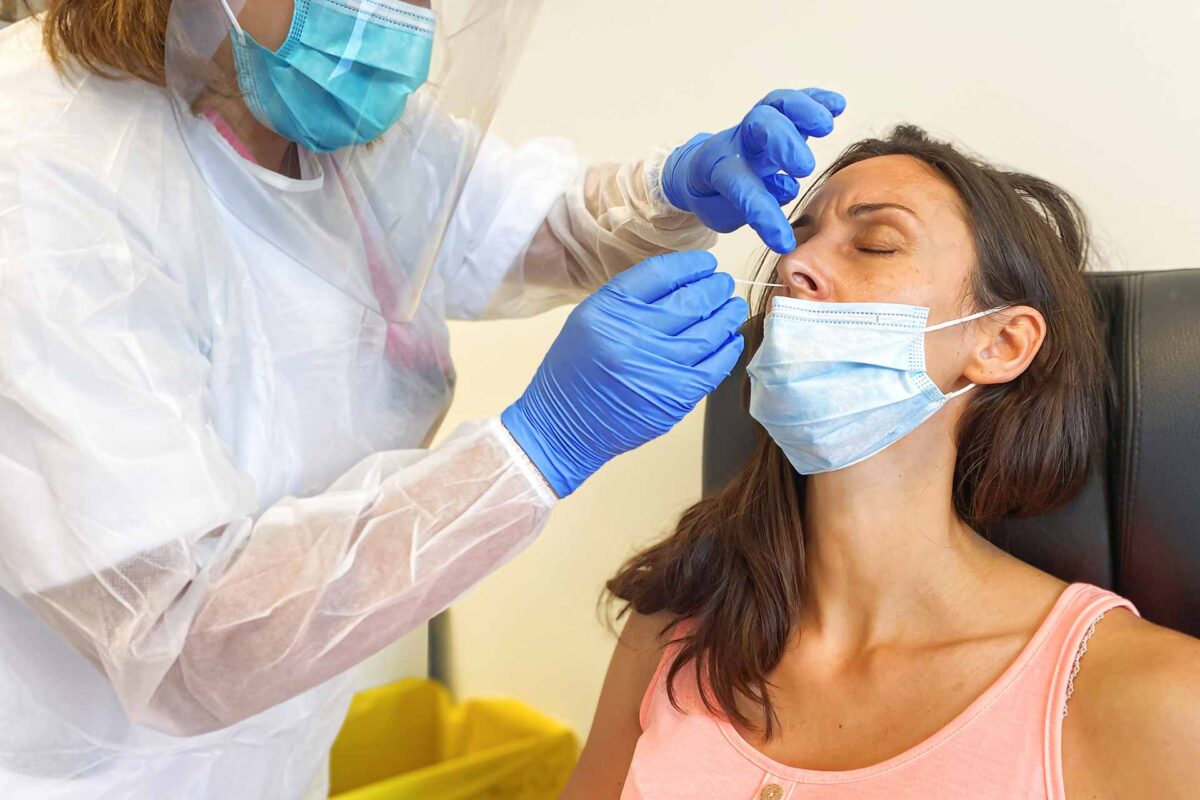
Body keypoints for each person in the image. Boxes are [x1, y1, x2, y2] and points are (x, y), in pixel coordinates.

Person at [0, 0, 847, 797]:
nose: (399, 20)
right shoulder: (42, 175)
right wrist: (534, 448)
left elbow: (526, 224)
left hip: (274, 759)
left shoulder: (322, 120)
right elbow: (178, 635)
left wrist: (671, 191)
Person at [569, 126, 1200, 799]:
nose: (792, 265)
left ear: (1002, 342)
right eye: (794, 237)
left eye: (874, 244)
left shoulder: (1153, 697)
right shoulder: (675, 628)